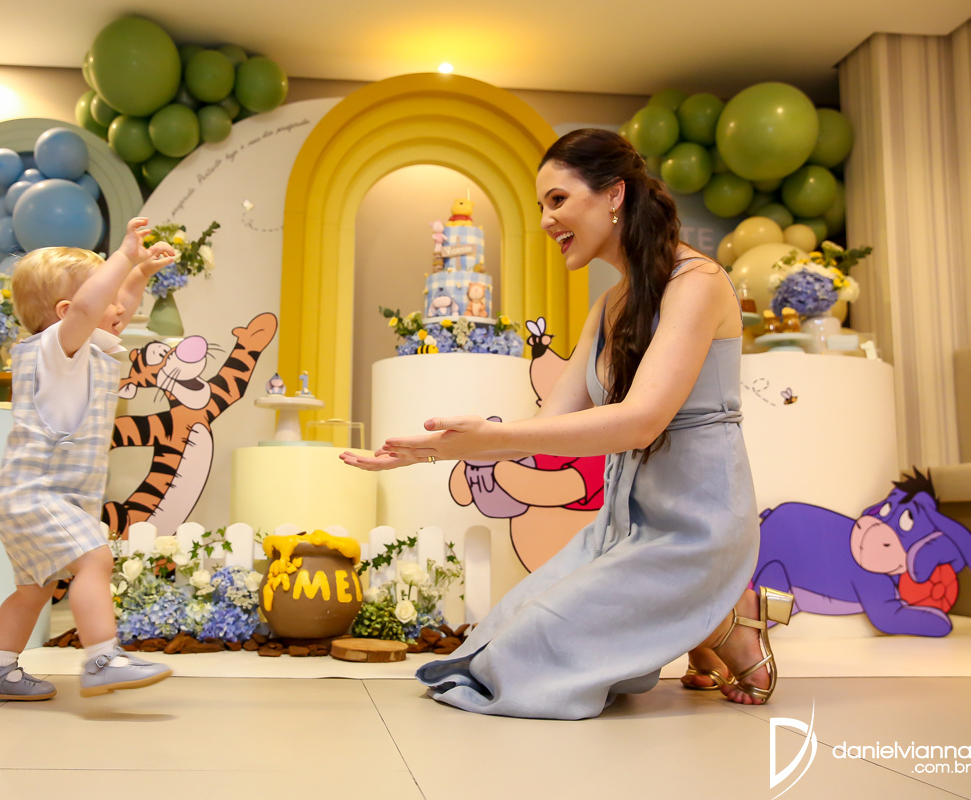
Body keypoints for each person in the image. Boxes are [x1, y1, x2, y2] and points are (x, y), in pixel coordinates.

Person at [340, 129, 794, 720]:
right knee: (485, 651)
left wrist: (489, 439)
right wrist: (433, 451)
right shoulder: (607, 307)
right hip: (624, 526)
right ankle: (708, 622)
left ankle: (726, 616)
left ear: (614, 194)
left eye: (557, 200)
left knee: (519, 665)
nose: (546, 221)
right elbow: (549, 426)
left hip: (696, 526)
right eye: (541, 206)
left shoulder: (698, 282)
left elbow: (640, 422)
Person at [0, 218, 177, 702]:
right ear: (68, 311)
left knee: (33, 590)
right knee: (95, 558)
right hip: (37, 495)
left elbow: (110, 305)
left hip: (37, 498)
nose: (120, 307)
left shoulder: (85, 349)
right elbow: (89, 307)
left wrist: (140, 273)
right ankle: (102, 659)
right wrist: (124, 255)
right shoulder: (57, 349)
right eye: (109, 297)